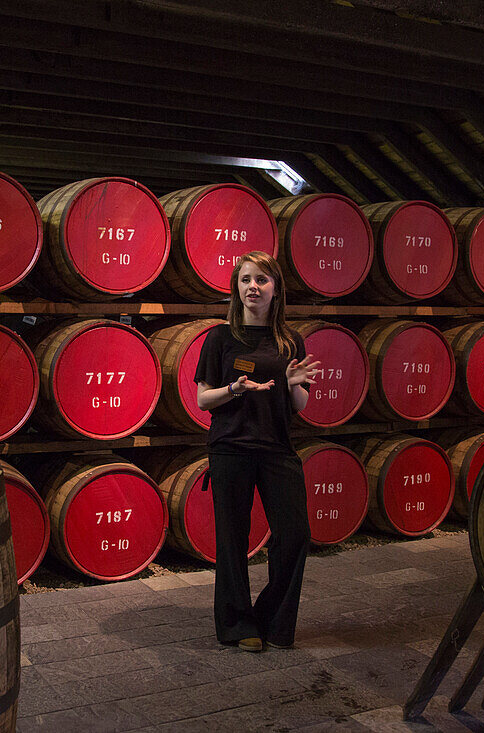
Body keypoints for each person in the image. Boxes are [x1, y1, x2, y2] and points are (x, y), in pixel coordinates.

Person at [194, 250, 320, 652]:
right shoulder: (221, 338)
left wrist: (292, 382)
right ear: (236, 288)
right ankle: (236, 624)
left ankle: (272, 619)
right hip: (231, 447)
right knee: (233, 539)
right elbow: (202, 400)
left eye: (262, 280)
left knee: (295, 534)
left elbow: (298, 407)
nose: (253, 286)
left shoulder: (290, 341)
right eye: (246, 279)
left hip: (276, 446)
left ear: (276, 289)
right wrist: (235, 388)